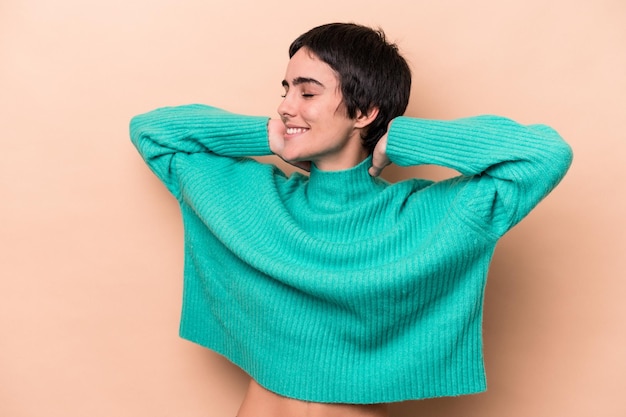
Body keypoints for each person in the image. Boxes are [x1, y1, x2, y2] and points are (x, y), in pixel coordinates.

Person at [130, 23, 572, 417]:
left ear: (364, 112)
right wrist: (266, 133)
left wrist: (400, 136)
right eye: (284, 90)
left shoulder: (425, 215)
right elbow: (150, 131)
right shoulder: (252, 198)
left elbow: (544, 155)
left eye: (307, 92)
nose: (286, 105)